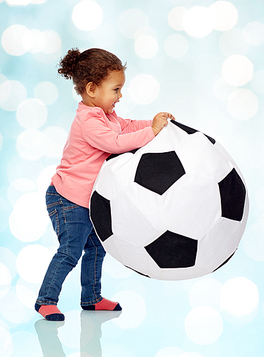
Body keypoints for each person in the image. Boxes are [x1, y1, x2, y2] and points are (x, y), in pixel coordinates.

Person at [35, 48, 174, 321]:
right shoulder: (89, 121)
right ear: (92, 89)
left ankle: (91, 297)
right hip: (67, 199)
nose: (120, 96)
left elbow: (128, 126)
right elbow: (116, 143)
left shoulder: (106, 115)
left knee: (97, 248)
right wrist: (152, 133)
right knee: (70, 251)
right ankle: (45, 300)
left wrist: (154, 124)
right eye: (116, 89)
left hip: (87, 200)